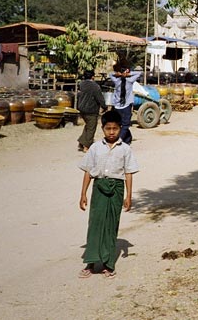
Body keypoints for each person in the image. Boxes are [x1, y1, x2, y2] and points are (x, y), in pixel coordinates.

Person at [78, 109, 139, 279]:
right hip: (99, 187)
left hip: (117, 189)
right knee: (95, 224)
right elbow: (88, 172)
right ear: (102, 128)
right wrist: (83, 194)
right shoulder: (95, 148)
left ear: (120, 128)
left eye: (115, 129)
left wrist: (128, 196)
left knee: (111, 226)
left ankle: (107, 264)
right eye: (108, 129)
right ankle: (90, 263)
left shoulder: (125, 149)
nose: (111, 132)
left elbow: (128, 173)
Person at [108, 62, 141, 144]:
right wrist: (128, 74)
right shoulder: (130, 80)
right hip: (126, 106)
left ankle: (128, 139)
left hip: (117, 105)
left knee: (120, 124)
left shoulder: (116, 81)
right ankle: (119, 140)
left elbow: (110, 74)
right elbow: (139, 73)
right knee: (125, 125)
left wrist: (118, 74)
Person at [76, 70, 106, 152]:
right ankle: (87, 146)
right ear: (92, 77)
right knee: (91, 128)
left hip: (82, 108)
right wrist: (104, 106)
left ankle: (81, 142)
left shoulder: (81, 84)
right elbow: (99, 98)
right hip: (91, 109)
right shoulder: (95, 86)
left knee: (88, 125)